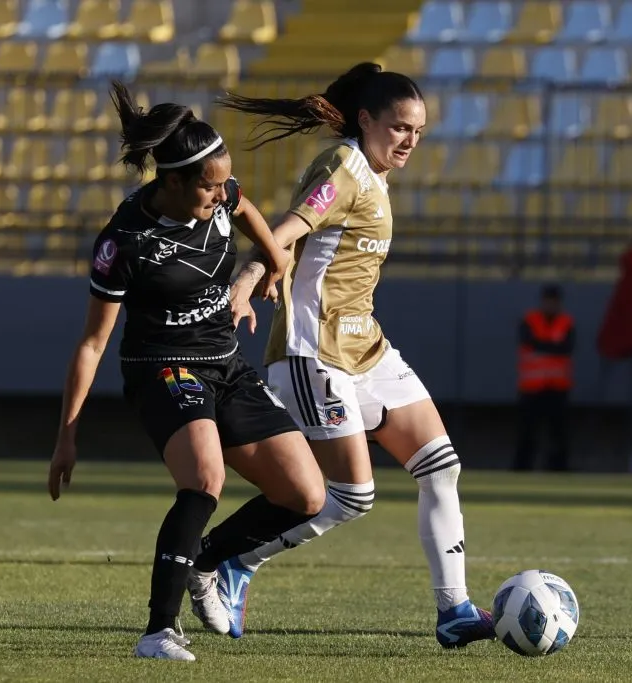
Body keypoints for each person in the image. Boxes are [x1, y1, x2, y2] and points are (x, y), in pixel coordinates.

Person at [192, 62, 495, 649]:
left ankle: (454, 610)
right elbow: (293, 224)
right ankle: (230, 560)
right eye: (400, 127)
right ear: (366, 120)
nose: (409, 139)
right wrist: (255, 268)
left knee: (441, 467)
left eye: (419, 132)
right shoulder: (345, 165)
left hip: (367, 347)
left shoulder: (374, 176)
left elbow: (312, 235)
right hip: (316, 352)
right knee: (353, 496)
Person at [47, 81, 327, 662]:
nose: (222, 193)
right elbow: (92, 343)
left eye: (225, 182)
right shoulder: (124, 243)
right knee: (204, 480)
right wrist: (67, 435)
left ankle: (203, 559)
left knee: (306, 494)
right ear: (170, 181)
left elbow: (249, 211)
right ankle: (158, 633)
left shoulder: (219, 196)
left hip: (225, 362)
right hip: (163, 368)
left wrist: (271, 268)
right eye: (209, 184)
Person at [512, 284, 575, 471]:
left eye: (554, 301)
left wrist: (543, 346)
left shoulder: (566, 322)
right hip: (532, 388)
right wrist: (552, 346)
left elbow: (567, 348)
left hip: (558, 388)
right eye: (548, 300)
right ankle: (521, 469)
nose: (551, 304)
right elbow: (529, 342)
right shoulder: (530, 320)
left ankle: (559, 469)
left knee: (559, 433)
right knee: (527, 432)